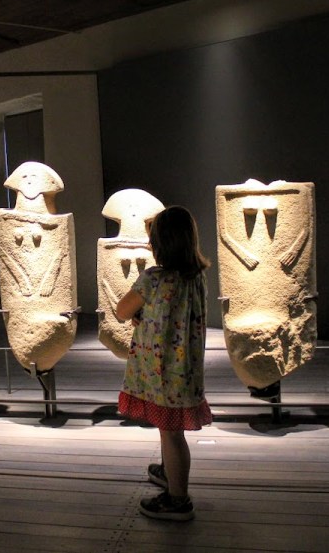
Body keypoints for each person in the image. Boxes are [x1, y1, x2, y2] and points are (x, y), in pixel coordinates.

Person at [115, 205, 212, 521]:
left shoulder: (152, 279)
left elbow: (122, 310)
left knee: (171, 432)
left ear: (158, 244)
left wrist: (137, 312)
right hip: (185, 370)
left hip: (162, 372)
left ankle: (178, 498)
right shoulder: (195, 278)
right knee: (169, 429)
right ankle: (171, 472)